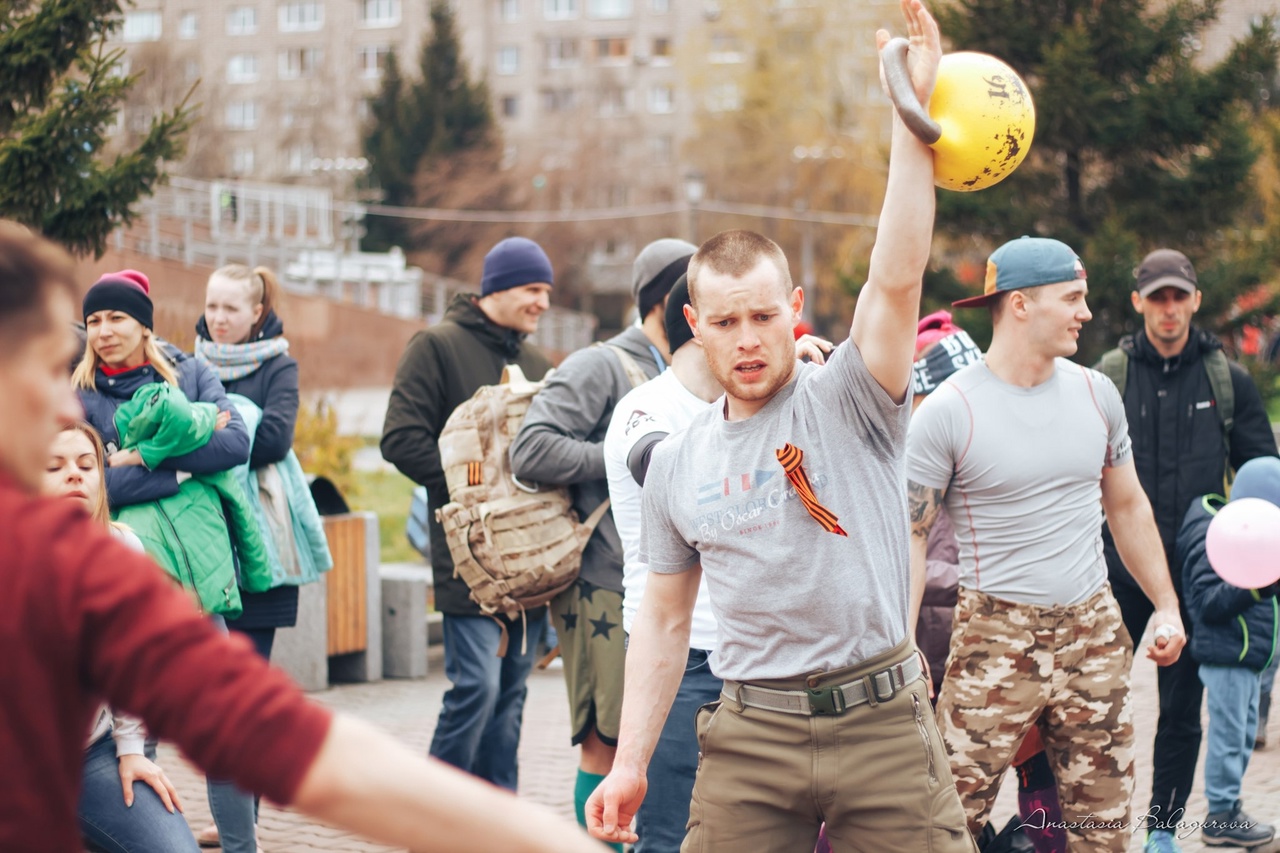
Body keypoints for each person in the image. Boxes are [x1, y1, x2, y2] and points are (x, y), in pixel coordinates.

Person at [0, 219, 610, 853]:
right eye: (46, 369)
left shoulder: (83, 559)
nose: (71, 407)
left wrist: (547, 843)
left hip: (91, 759)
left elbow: (278, 735)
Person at [587, 5, 977, 849]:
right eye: (725, 323)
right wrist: (629, 762)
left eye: (764, 316)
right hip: (752, 735)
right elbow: (661, 619)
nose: (748, 339)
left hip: (882, 723)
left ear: (794, 309)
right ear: (693, 323)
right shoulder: (676, 463)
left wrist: (912, 123)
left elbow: (897, 273)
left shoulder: (850, 396)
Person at [905, 236, 1187, 852]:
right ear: (1021, 304)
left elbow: (1127, 504)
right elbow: (912, 534)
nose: (1086, 313)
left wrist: (1165, 603)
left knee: (1103, 828)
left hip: (1093, 631)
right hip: (994, 639)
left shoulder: (1095, 393)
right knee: (940, 825)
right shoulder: (950, 412)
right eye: (1074, 298)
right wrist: (904, 646)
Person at [1094, 248, 1278, 853]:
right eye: (1157, 297)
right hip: (1118, 569)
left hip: (1198, 574)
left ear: (1195, 301)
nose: (1168, 309)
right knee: (1093, 702)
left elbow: (1261, 475)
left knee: (1179, 711)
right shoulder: (1109, 378)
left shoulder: (1227, 381)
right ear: (1138, 302)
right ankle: (1090, 827)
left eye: (1179, 296)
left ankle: (1163, 832)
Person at [72, 269, 263, 853]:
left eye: (117, 318)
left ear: (144, 324)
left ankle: (241, 847)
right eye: (96, 320)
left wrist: (140, 458)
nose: (104, 331)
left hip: (193, 577)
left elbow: (235, 445)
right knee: (136, 731)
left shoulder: (190, 371)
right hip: (128, 572)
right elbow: (91, 484)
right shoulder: (77, 393)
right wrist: (181, 469)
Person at [510, 237, 693, 840]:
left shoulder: (685, 372)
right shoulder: (603, 363)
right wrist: (624, 458)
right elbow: (530, 448)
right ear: (669, 298)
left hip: (653, 587)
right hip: (600, 584)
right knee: (606, 744)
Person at [381, 236, 555, 789]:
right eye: (533, 289)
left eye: (547, 291)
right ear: (497, 288)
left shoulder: (535, 363)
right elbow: (401, 439)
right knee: (475, 689)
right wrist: (477, 491)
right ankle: (436, 823)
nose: (543, 302)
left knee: (510, 696)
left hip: (530, 563)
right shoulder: (435, 346)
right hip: (469, 560)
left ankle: (495, 827)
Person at [193, 264, 333, 849]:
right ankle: (234, 816)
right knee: (215, 696)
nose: (218, 319)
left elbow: (274, 438)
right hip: (206, 546)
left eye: (231, 309)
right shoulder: (187, 363)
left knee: (244, 695)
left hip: (264, 553)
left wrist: (210, 433)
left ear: (256, 312)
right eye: (211, 307)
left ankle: (241, 822)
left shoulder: (278, 364)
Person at [43, 422, 202, 853]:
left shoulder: (122, 549)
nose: (74, 474)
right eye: (53, 466)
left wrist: (131, 749)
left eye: (86, 464)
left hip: (88, 753)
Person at [1177, 456, 1280, 849]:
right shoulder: (1214, 534)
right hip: (1226, 655)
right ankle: (1220, 815)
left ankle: (1230, 806)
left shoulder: (1254, 537)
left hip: (1249, 657)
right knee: (1229, 735)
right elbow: (1206, 604)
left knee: (1240, 734)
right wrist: (1258, 585)